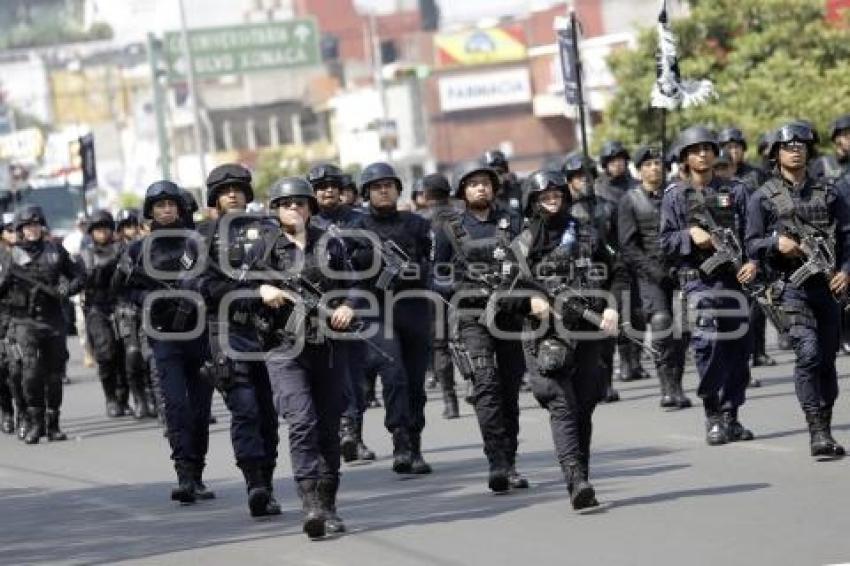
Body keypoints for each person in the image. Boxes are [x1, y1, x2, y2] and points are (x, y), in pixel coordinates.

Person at [252, 176, 357, 538]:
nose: (293, 208)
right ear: (276, 211)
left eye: (299, 203)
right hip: (283, 346)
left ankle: (328, 503)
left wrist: (347, 306)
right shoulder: (264, 246)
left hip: (327, 344)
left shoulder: (331, 243)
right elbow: (232, 283)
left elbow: (354, 284)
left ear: (310, 207)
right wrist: (261, 288)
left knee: (328, 424)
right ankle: (309, 501)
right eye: (285, 204)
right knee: (301, 421)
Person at [746, 122, 850, 459]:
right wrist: (778, 243)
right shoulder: (762, 197)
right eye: (788, 145)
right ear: (776, 153)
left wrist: (846, 272)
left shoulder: (830, 193)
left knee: (827, 360)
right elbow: (752, 244)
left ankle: (826, 425)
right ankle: (816, 431)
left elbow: (848, 239)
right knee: (808, 351)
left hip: (827, 288)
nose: (796, 149)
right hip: (789, 287)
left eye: (801, 144)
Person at [520, 169, 621, 509]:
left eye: (556, 193)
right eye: (543, 195)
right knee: (561, 403)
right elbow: (504, 287)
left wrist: (611, 308)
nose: (551, 199)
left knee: (585, 404)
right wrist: (529, 301)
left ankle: (584, 475)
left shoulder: (585, 232)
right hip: (545, 333)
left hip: (588, 328)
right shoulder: (522, 241)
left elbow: (614, 271)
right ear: (532, 200)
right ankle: (575, 480)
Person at [114, 181, 215, 503]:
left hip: (199, 333)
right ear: (151, 212)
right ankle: (184, 474)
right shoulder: (138, 249)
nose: (167, 210)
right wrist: (151, 297)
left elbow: (216, 281)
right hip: (163, 334)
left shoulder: (198, 243)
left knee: (200, 410)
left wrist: (196, 295)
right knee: (176, 406)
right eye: (160, 206)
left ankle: (197, 473)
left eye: (171, 204)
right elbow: (123, 288)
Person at [433, 159, 528, 492]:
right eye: (473, 183)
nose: (480, 188)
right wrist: (463, 287)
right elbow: (436, 274)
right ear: (462, 191)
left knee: (510, 390)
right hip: (472, 317)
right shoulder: (450, 228)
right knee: (486, 385)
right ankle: (497, 462)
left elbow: (529, 264)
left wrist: (515, 289)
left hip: (509, 316)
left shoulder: (512, 222)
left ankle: (512, 461)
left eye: (485, 182)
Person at [192, 163, 281, 517]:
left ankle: (268, 483)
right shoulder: (202, 236)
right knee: (244, 410)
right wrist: (250, 291)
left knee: (269, 414)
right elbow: (199, 284)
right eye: (225, 190)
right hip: (228, 331)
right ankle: (254, 484)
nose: (232, 194)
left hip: (271, 332)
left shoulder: (271, 230)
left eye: (238, 188)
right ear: (215, 197)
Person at [660, 126, 756, 446]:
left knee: (738, 351)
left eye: (707, 148)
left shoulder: (737, 191)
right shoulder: (675, 196)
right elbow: (665, 242)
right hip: (697, 282)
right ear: (685, 157)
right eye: (695, 149)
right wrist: (689, 236)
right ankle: (713, 414)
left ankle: (732, 415)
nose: (702, 154)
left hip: (733, 281)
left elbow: (752, 236)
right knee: (708, 340)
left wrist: (752, 263)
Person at [353, 161, 433, 475]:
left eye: (388, 185)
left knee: (415, 383)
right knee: (394, 375)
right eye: (376, 186)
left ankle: (415, 446)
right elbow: (348, 271)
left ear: (398, 189)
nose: (383, 190)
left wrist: (413, 270)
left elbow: (435, 264)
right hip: (377, 311)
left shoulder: (416, 224)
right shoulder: (357, 229)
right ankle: (399, 441)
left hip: (413, 309)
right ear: (366, 193)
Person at [306, 162, 376, 462]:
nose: (328, 191)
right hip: (312, 312)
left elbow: (375, 262)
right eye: (321, 187)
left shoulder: (361, 221)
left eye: (333, 185)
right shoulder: (303, 223)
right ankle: (330, 435)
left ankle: (354, 436)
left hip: (353, 303)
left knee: (355, 378)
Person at [0, 205, 84, 444]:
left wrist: (68, 288)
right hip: (23, 321)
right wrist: (6, 277)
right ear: (20, 230)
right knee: (30, 372)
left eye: (36, 225)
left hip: (53, 319)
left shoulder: (55, 250)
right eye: (27, 226)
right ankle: (34, 422)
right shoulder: (9, 256)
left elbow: (79, 275)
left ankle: (53, 423)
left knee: (55, 375)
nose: (32, 230)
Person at [618, 145, 691, 409]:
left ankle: (679, 385)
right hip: (649, 274)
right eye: (647, 164)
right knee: (662, 323)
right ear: (639, 171)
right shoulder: (630, 200)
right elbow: (628, 245)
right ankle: (667, 387)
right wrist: (653, 271)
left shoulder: (679, 193)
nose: (654, 168)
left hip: (680, 269)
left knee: (683, 328)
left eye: (657, 163)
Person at [562, 156, 622, 402]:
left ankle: (605, 383)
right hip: (575, 277)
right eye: (577, 177)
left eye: (586, 176)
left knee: (607, 333)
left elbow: (618, 240)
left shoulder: (606, 207)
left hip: (603, 272)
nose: (583, 181)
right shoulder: (566, 212)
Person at [718, 127, 774, 369]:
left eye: (736, 147)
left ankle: (757, 352)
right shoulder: (713, 181)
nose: (733, 151)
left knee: (757, 304)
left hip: (753, 242)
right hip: (725, 249)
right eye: (728, 147)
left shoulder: (756, 175)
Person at [420, 173, 461, 419]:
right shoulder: (462, 218)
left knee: (440, 345)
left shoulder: (422, 222)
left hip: (433, 287)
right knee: (472, 338)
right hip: (463, 284)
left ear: (425, 195)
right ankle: (475, 387)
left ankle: (450, 399)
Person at [483, 149, 524, 215]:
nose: (497, 177)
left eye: (500, 172)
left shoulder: (519, 190)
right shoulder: (481, 197)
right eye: (492, 174)